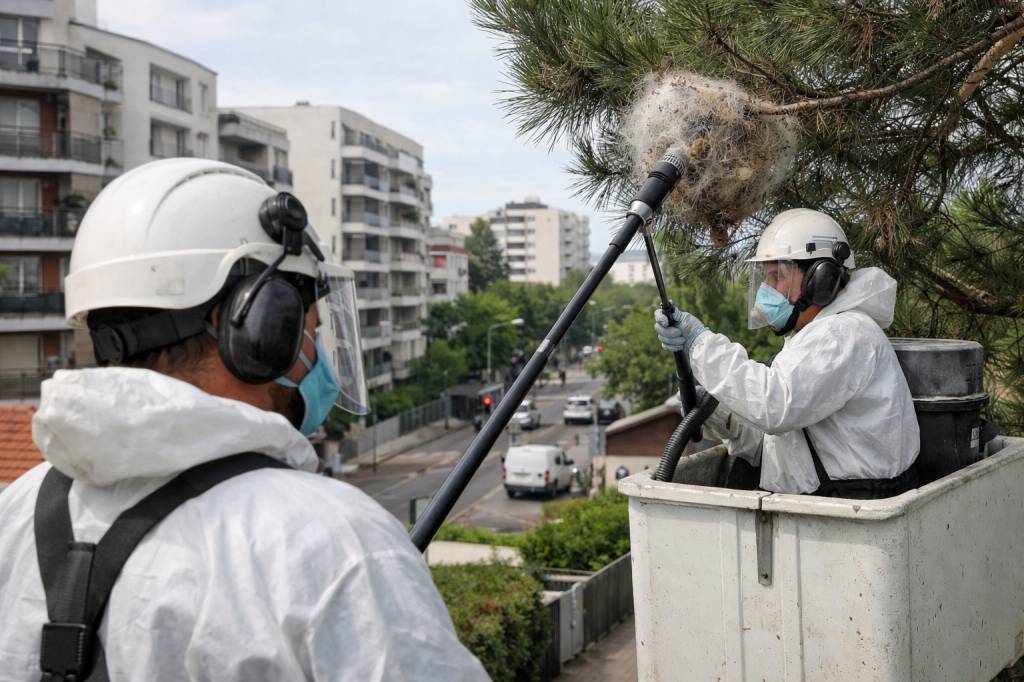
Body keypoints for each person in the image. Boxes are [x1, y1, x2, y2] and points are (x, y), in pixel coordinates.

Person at [0, 159, 487, 681]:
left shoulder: (15, 514)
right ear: (255, 325)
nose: (314, 355)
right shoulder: (333, 543)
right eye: (308, 330)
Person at [653, 208, 920, 498]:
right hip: (823, 511)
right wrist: (722, 415)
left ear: (821, 279)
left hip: (850, 511)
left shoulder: (843, 334)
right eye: (766, 278)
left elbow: (775, 407)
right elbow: (782, 449)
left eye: (778, 276)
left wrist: (699, 343)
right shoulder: (812, 336)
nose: (767, 290)